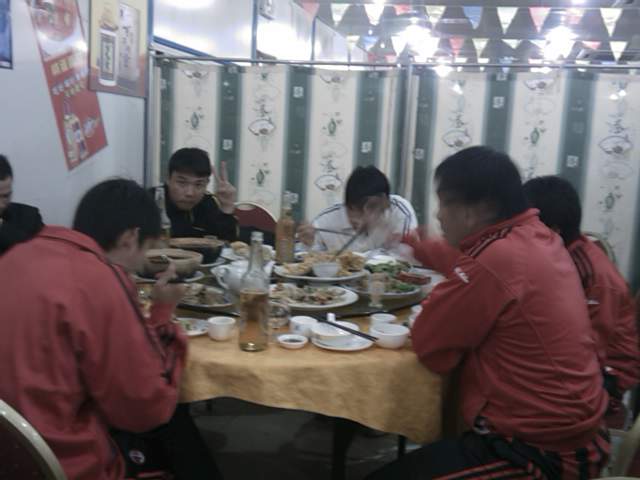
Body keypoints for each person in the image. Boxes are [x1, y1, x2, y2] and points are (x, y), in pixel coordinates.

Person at [369, 147, 609, 479]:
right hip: (577, 432)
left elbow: (431, 349)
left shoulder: (497, 258)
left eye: (445, 203)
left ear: (480, 208)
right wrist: (417, 245)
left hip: (541, 452)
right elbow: (469, 265)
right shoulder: (534, 235)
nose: (438, 215)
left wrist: (439, 298)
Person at [0, 179, 220, 480]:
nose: (140, 265)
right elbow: (144, 408)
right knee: (175, 429)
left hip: (10, 450)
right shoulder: (100, 279)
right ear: (130, 237)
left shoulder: (16, 256)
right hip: (58, 461)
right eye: (147, 251)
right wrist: (163, 313)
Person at [523, 175, 640, 410]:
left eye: (523, 227)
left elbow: (586, 350)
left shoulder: (590, 276)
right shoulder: (559, 254)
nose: (515, 235)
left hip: (604, 379)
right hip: (575, 365)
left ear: (552, 231)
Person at [298, 165, 417, 252]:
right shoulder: (327, 220)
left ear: (384, 204)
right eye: (356, 210)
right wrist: (308, 243)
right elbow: (303, 256)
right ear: (347, 204)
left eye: (371, 208)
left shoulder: (398, 211)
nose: (362, 219)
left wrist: (400, 246)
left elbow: (408, 258)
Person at [155, 147, 238, 241]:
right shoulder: (151, 202)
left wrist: (227, 207)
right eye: (182, 183)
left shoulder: (207, 203)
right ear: (168, 178)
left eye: (198, 184)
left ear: (207, 183)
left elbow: (226, 244)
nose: (190, 193)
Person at [0, 154, 43, 254]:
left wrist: (2, 226)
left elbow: (39, 251)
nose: (1, 205)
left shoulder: (30, 217)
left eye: (5, 196)